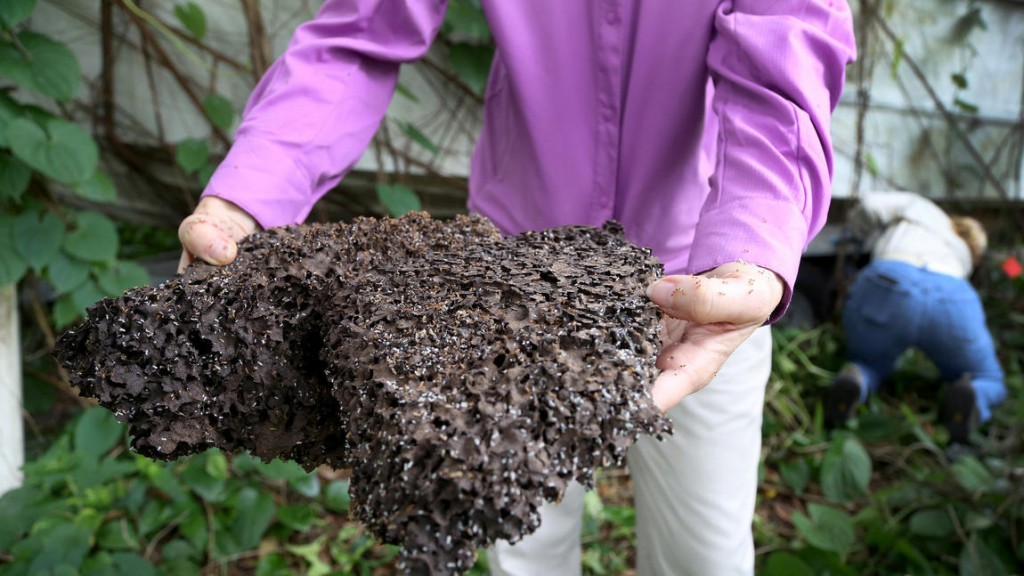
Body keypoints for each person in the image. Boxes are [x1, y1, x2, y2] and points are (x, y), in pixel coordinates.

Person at [177, 2, 856, 574]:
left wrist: (755, 243)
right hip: (511, 274)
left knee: (703, 555)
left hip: (704, 284)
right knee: (522, 542)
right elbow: (360, 32)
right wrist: (252, 194)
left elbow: (786, 41)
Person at [824, 191, 1006, 447]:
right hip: (952, 298)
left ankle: (857, 380)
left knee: (868, 362)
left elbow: (872, 204)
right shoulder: (962, 255)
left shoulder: (921, 207)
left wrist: (856, 235)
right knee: (987, 376)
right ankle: (975, 395)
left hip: (889, 282)